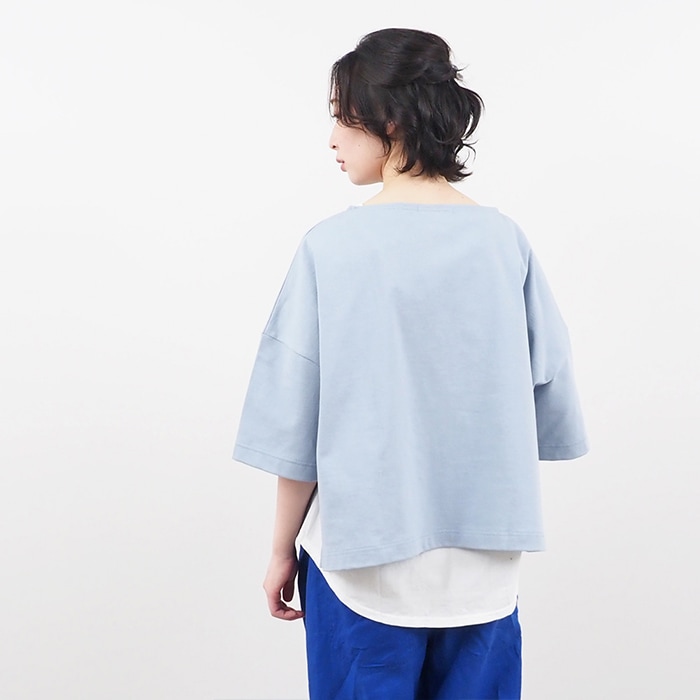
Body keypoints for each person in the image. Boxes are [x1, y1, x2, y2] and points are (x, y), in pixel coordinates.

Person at [233, 27, 588, 700]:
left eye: (342, 116)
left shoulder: (331, 248)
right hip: (483, 566)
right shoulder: (503, 242)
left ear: (388, 119)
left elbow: (294, 422)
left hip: (361, 563)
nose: (332, 139)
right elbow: (549, 390)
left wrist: (280, 550)